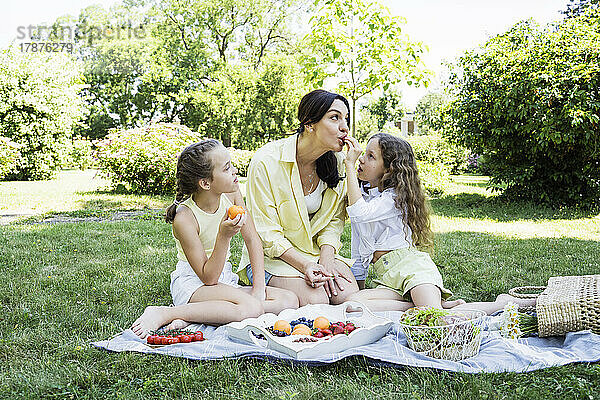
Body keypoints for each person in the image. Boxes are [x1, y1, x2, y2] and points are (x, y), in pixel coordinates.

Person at [343, 133, 532, 313]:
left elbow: (360, 213)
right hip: (390, 279)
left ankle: (503, 303)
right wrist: (359, 287)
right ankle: (423, 306)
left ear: (388, 169)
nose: (361, 159)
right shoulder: (364, 199)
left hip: (412, 270)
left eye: (371, 156)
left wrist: (349, 166)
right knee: (353, 303)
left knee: (435, 318)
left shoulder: (393, 199)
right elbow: (358, 251)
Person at [131, 140, 298, 339]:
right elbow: (208, 277)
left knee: (289, 299)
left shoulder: (232, 193)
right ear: (205, 183)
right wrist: (224, 236)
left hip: (223, 280)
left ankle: (200, 315)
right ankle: (166, 313)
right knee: (250, 308)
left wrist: (259, 289)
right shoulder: (185, 218)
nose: (235, 171)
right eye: (227, 168)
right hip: (195, 284)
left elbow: (253, 240)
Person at [237, 89, 360, 306]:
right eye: (334, 118)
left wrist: (327, 260)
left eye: (346, 119)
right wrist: (305, 266)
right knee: (317, 300)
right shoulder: (266, 162)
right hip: (271, 258)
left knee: (349, 297)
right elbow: (265, 233)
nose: (344, 127)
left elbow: (333, 222)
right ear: (309, 124)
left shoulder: (340, 162)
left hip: (315, 254)